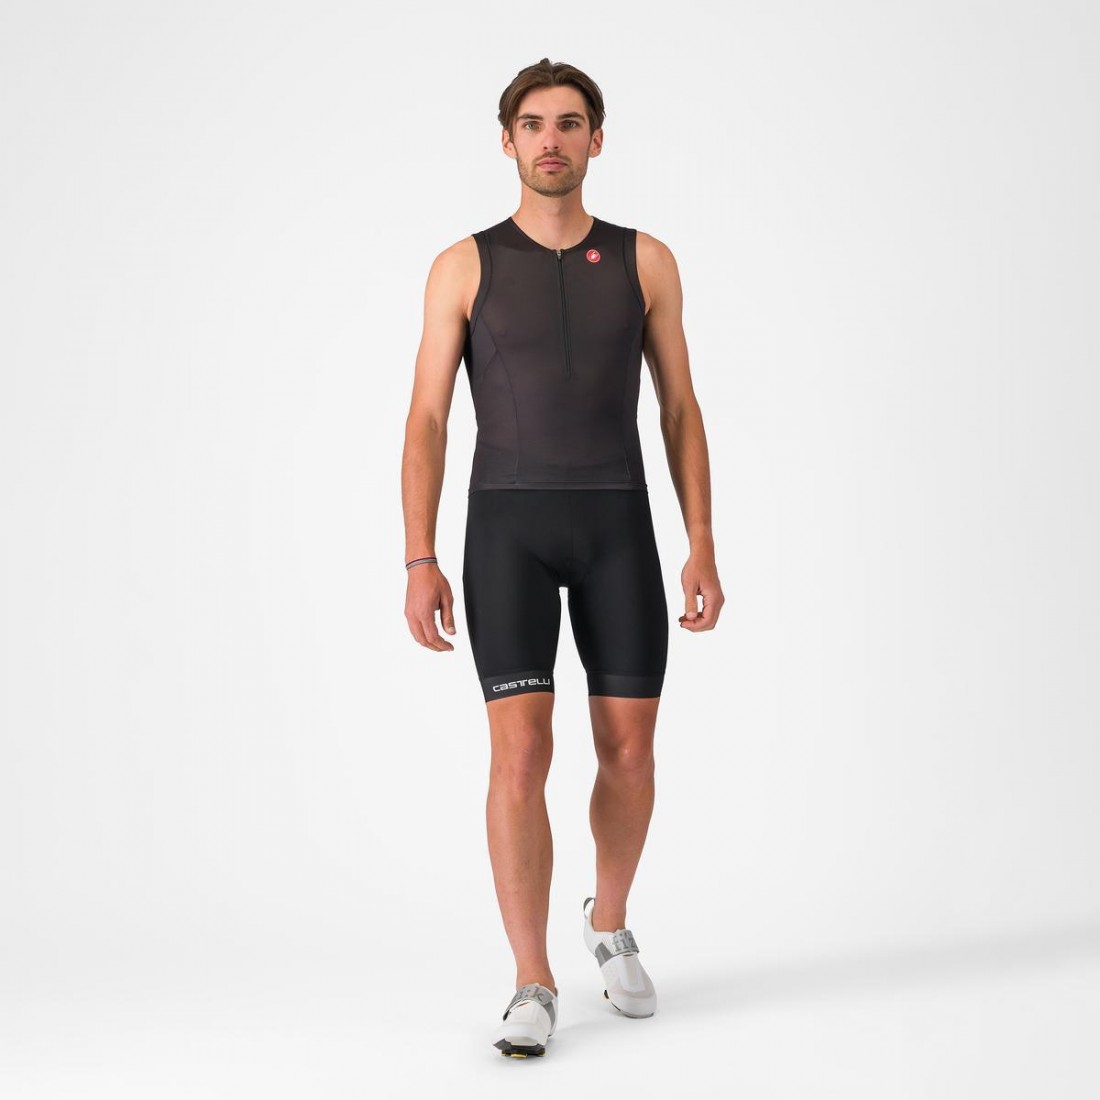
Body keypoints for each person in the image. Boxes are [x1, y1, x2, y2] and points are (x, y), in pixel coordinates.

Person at [401, 57, 724, 1057]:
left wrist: (701, 539)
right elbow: (425, 418)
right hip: (508, 529)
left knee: (629, 752)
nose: (552, 140)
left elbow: (678, 407)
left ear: (596, 139)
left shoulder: (644, 259)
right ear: (507, 141)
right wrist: (418, 556)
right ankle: (530, 978)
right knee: (521, 753)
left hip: (618, 526)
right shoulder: (462, 265)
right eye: (534, 124)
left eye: (570, 123)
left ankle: (607, 921)